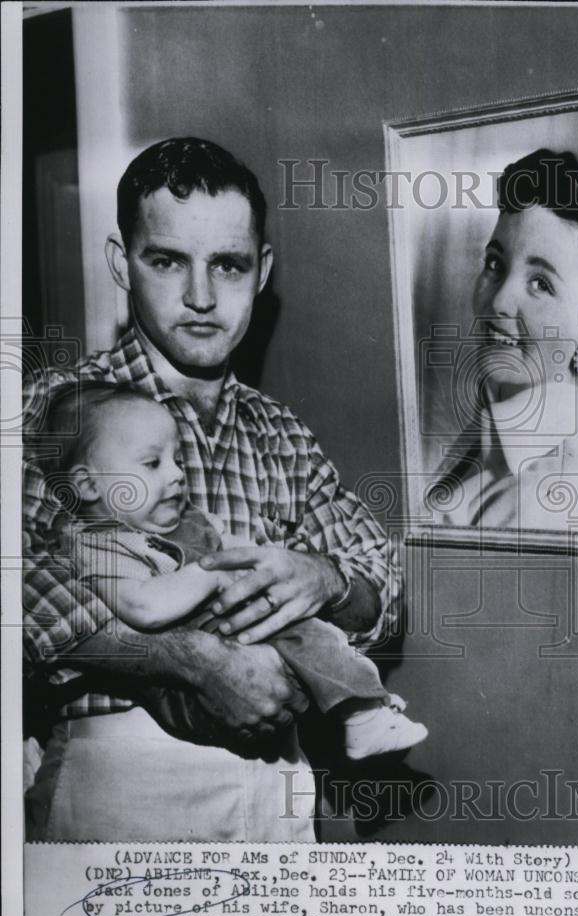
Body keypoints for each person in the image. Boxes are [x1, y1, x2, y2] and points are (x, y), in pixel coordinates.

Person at [23, 137, 402, 842]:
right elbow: (17, 589)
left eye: (226, 265)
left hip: (279, 787)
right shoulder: (56, 410)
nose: (200, 296)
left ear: (259, 272)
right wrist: (186, 662)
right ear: (121, 263)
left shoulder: (280, 431)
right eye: (167, 261)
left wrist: (324, 577)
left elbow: (381, 579)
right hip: (127, 784)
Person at [47, 382, 426, 760]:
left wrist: (290, 569)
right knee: (303, 644)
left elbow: (376, 573)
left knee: (313, 634)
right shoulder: (96, 544)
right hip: (153, 733)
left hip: (264, 718)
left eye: (178, 460)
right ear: (87, 484)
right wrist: (211, 573)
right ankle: (360, 713)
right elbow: (141, 607)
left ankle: (361, 715)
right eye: (152, 463)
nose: (178, 474)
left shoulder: (197, 510)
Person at [432, 148, 578, 532]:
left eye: (541, 284)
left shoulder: (546, 498)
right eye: (495, 264)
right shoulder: (499, 425)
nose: (499, 301)